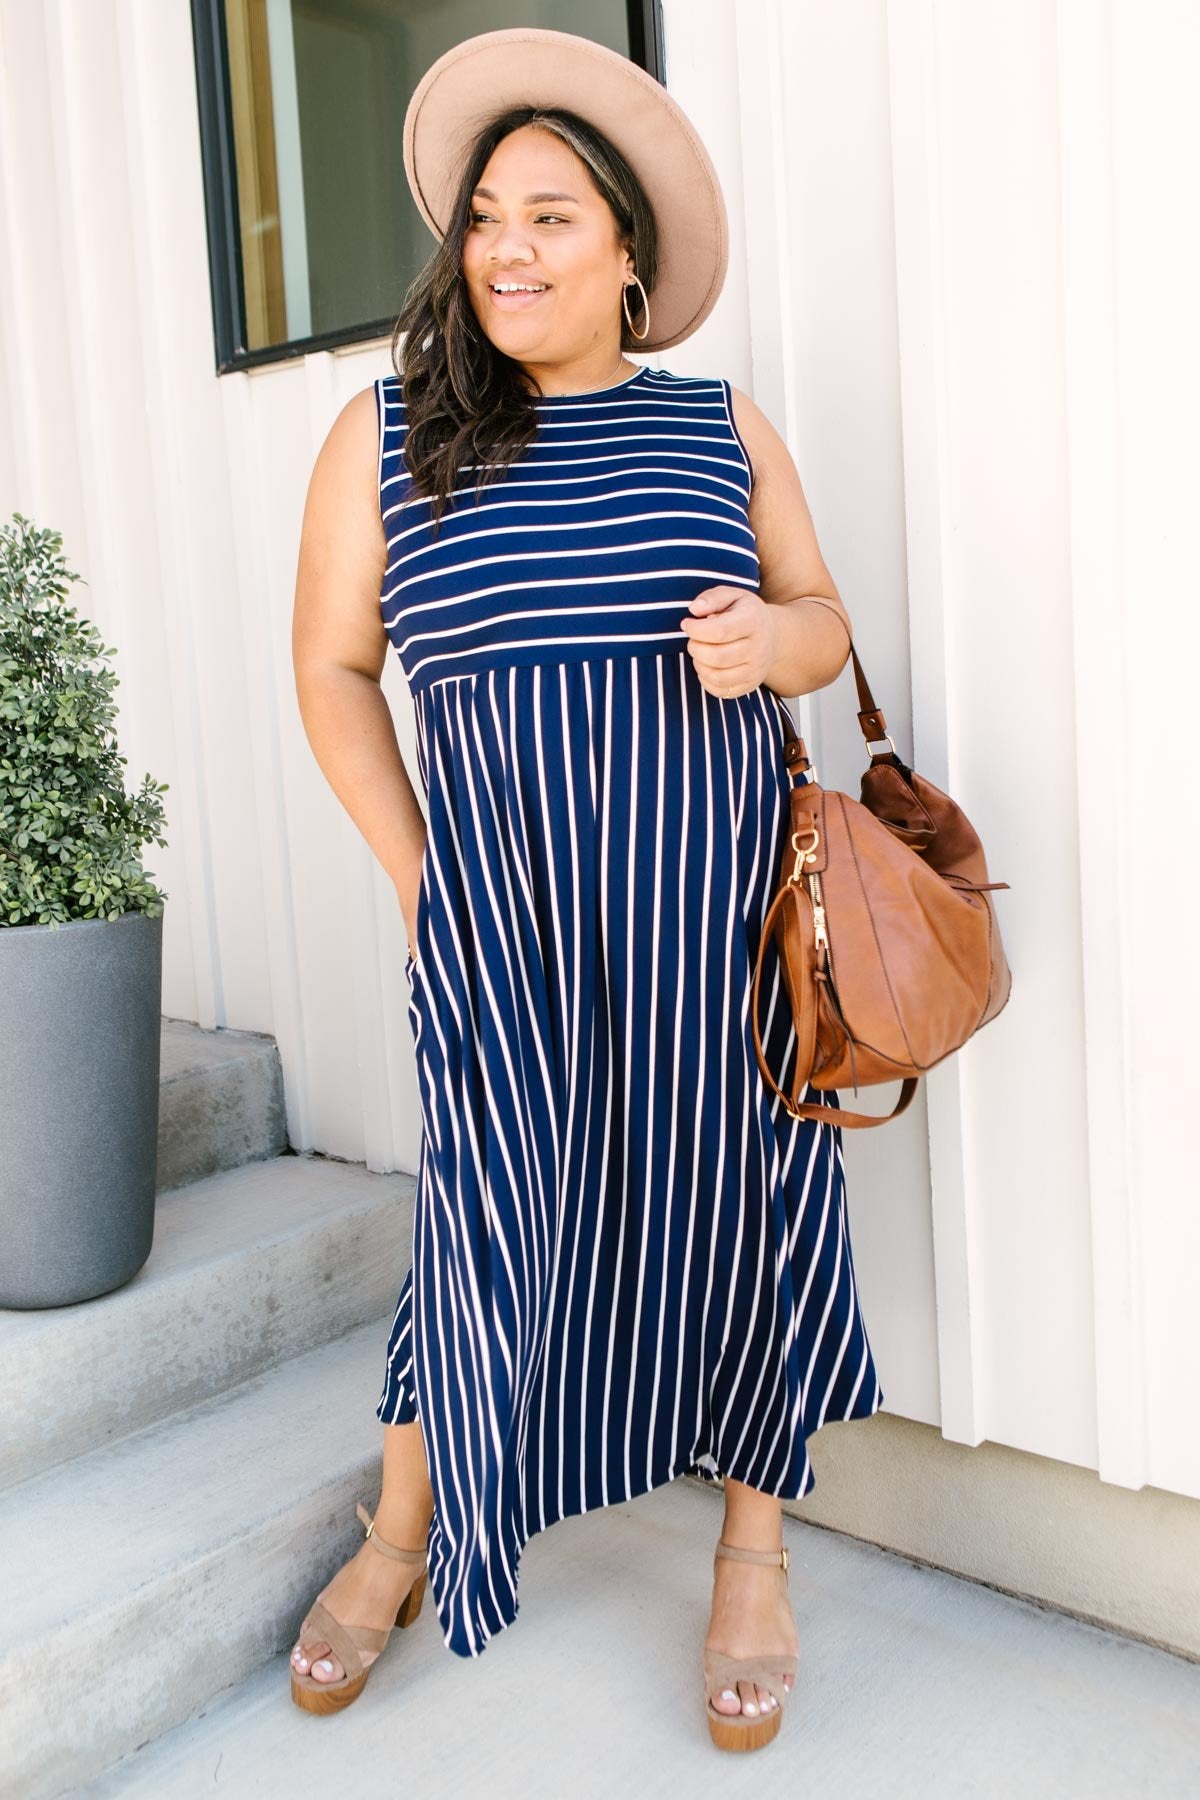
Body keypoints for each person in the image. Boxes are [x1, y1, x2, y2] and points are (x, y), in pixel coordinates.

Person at [289, 26, 883, 1752]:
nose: (509, 251)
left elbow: (827, 624)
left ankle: (755, 1551)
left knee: (743, 1205)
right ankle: (406, 1531)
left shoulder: (718, 427)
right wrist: (424, 876)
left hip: (718, 923)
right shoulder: (387, 436)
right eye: (487, 219)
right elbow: (333, 672)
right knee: (480, 1220)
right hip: (502, 917)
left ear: (629, 255)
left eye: (552, 218)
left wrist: (778, 638)